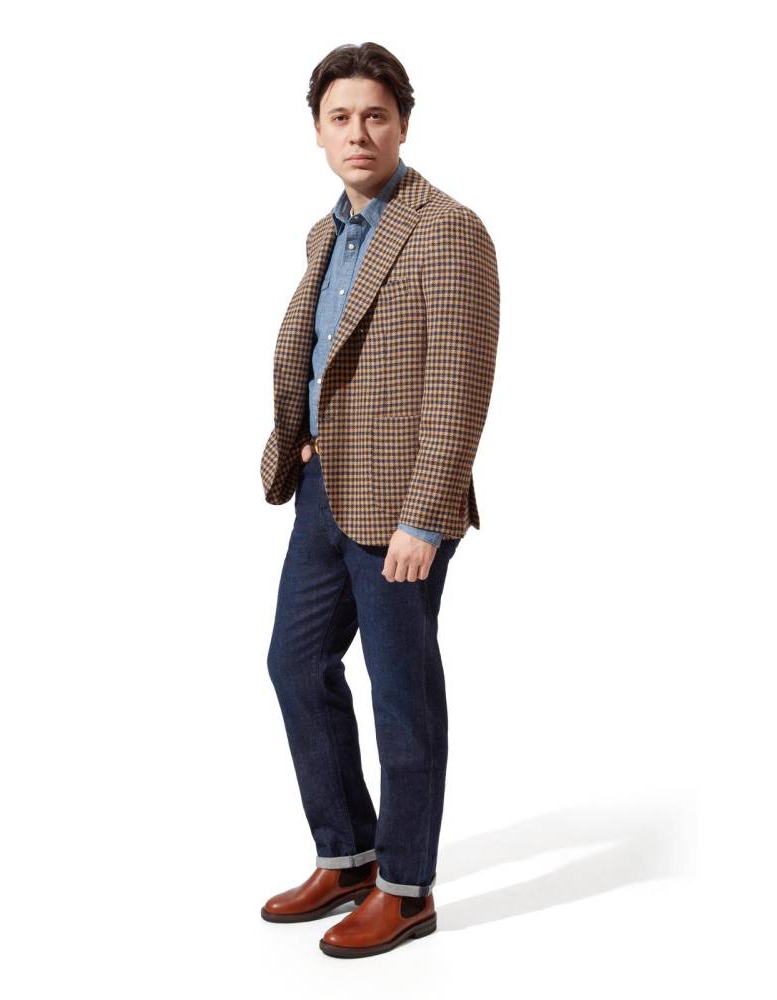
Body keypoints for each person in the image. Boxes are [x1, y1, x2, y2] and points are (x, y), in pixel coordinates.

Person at [258, 41, 500, 959]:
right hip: (323, 489)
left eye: (375, 115)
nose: (358, 132)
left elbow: (459, 384)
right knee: (294, 665)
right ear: (318, 133)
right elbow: (327, 354)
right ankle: (348, 854)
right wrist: (304, 437)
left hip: (402, 507)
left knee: (401, 696)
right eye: (340, 118)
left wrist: (426, 518)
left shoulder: (448, 229)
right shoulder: (327, 234)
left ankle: (405, 889)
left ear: (402, 124)